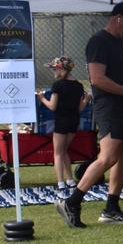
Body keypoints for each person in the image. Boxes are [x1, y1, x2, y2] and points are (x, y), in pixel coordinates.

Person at [54, 1, 123, 228]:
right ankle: (72, 202)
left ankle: (111, 208)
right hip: (110, 106)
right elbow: (97, 79)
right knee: (108, 157)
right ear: (118, 18)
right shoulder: (98, 42)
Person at [37, 57, 89, 191]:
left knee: (58, 153)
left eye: (55, 68)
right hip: (74, 122)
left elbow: (53, 106)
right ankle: (70, 180)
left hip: (61, 122)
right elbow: (80, 108)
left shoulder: (58, 85)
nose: (53, 71)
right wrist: (87, 99)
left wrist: (42, 99)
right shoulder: (79, 85)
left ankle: (60, 182)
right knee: (64, 150)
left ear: (62, 69)